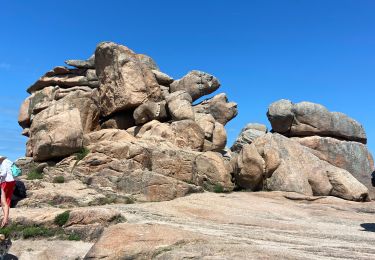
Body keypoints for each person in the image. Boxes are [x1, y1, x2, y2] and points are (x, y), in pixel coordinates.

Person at [0, 156, 16, 228]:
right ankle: (6, 217)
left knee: (3, 201)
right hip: (12, 181)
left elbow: (3, 173)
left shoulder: (3, 163)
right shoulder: (10, 162)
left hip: (5, 181)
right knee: (8, 197)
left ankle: (5, 216)